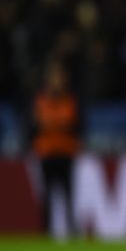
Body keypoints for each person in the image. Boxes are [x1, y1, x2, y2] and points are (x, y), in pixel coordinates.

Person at [32, 61, 80, 237]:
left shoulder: (71, 100)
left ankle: (72, 231)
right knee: (47, 197)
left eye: (60, 77)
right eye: (55, 77)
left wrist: (52, 125)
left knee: (69, 196)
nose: (57, 81)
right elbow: (33, 127)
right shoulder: (40, 100)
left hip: (66, 153)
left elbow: (77, 126)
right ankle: (46, 232)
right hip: (46, 154)